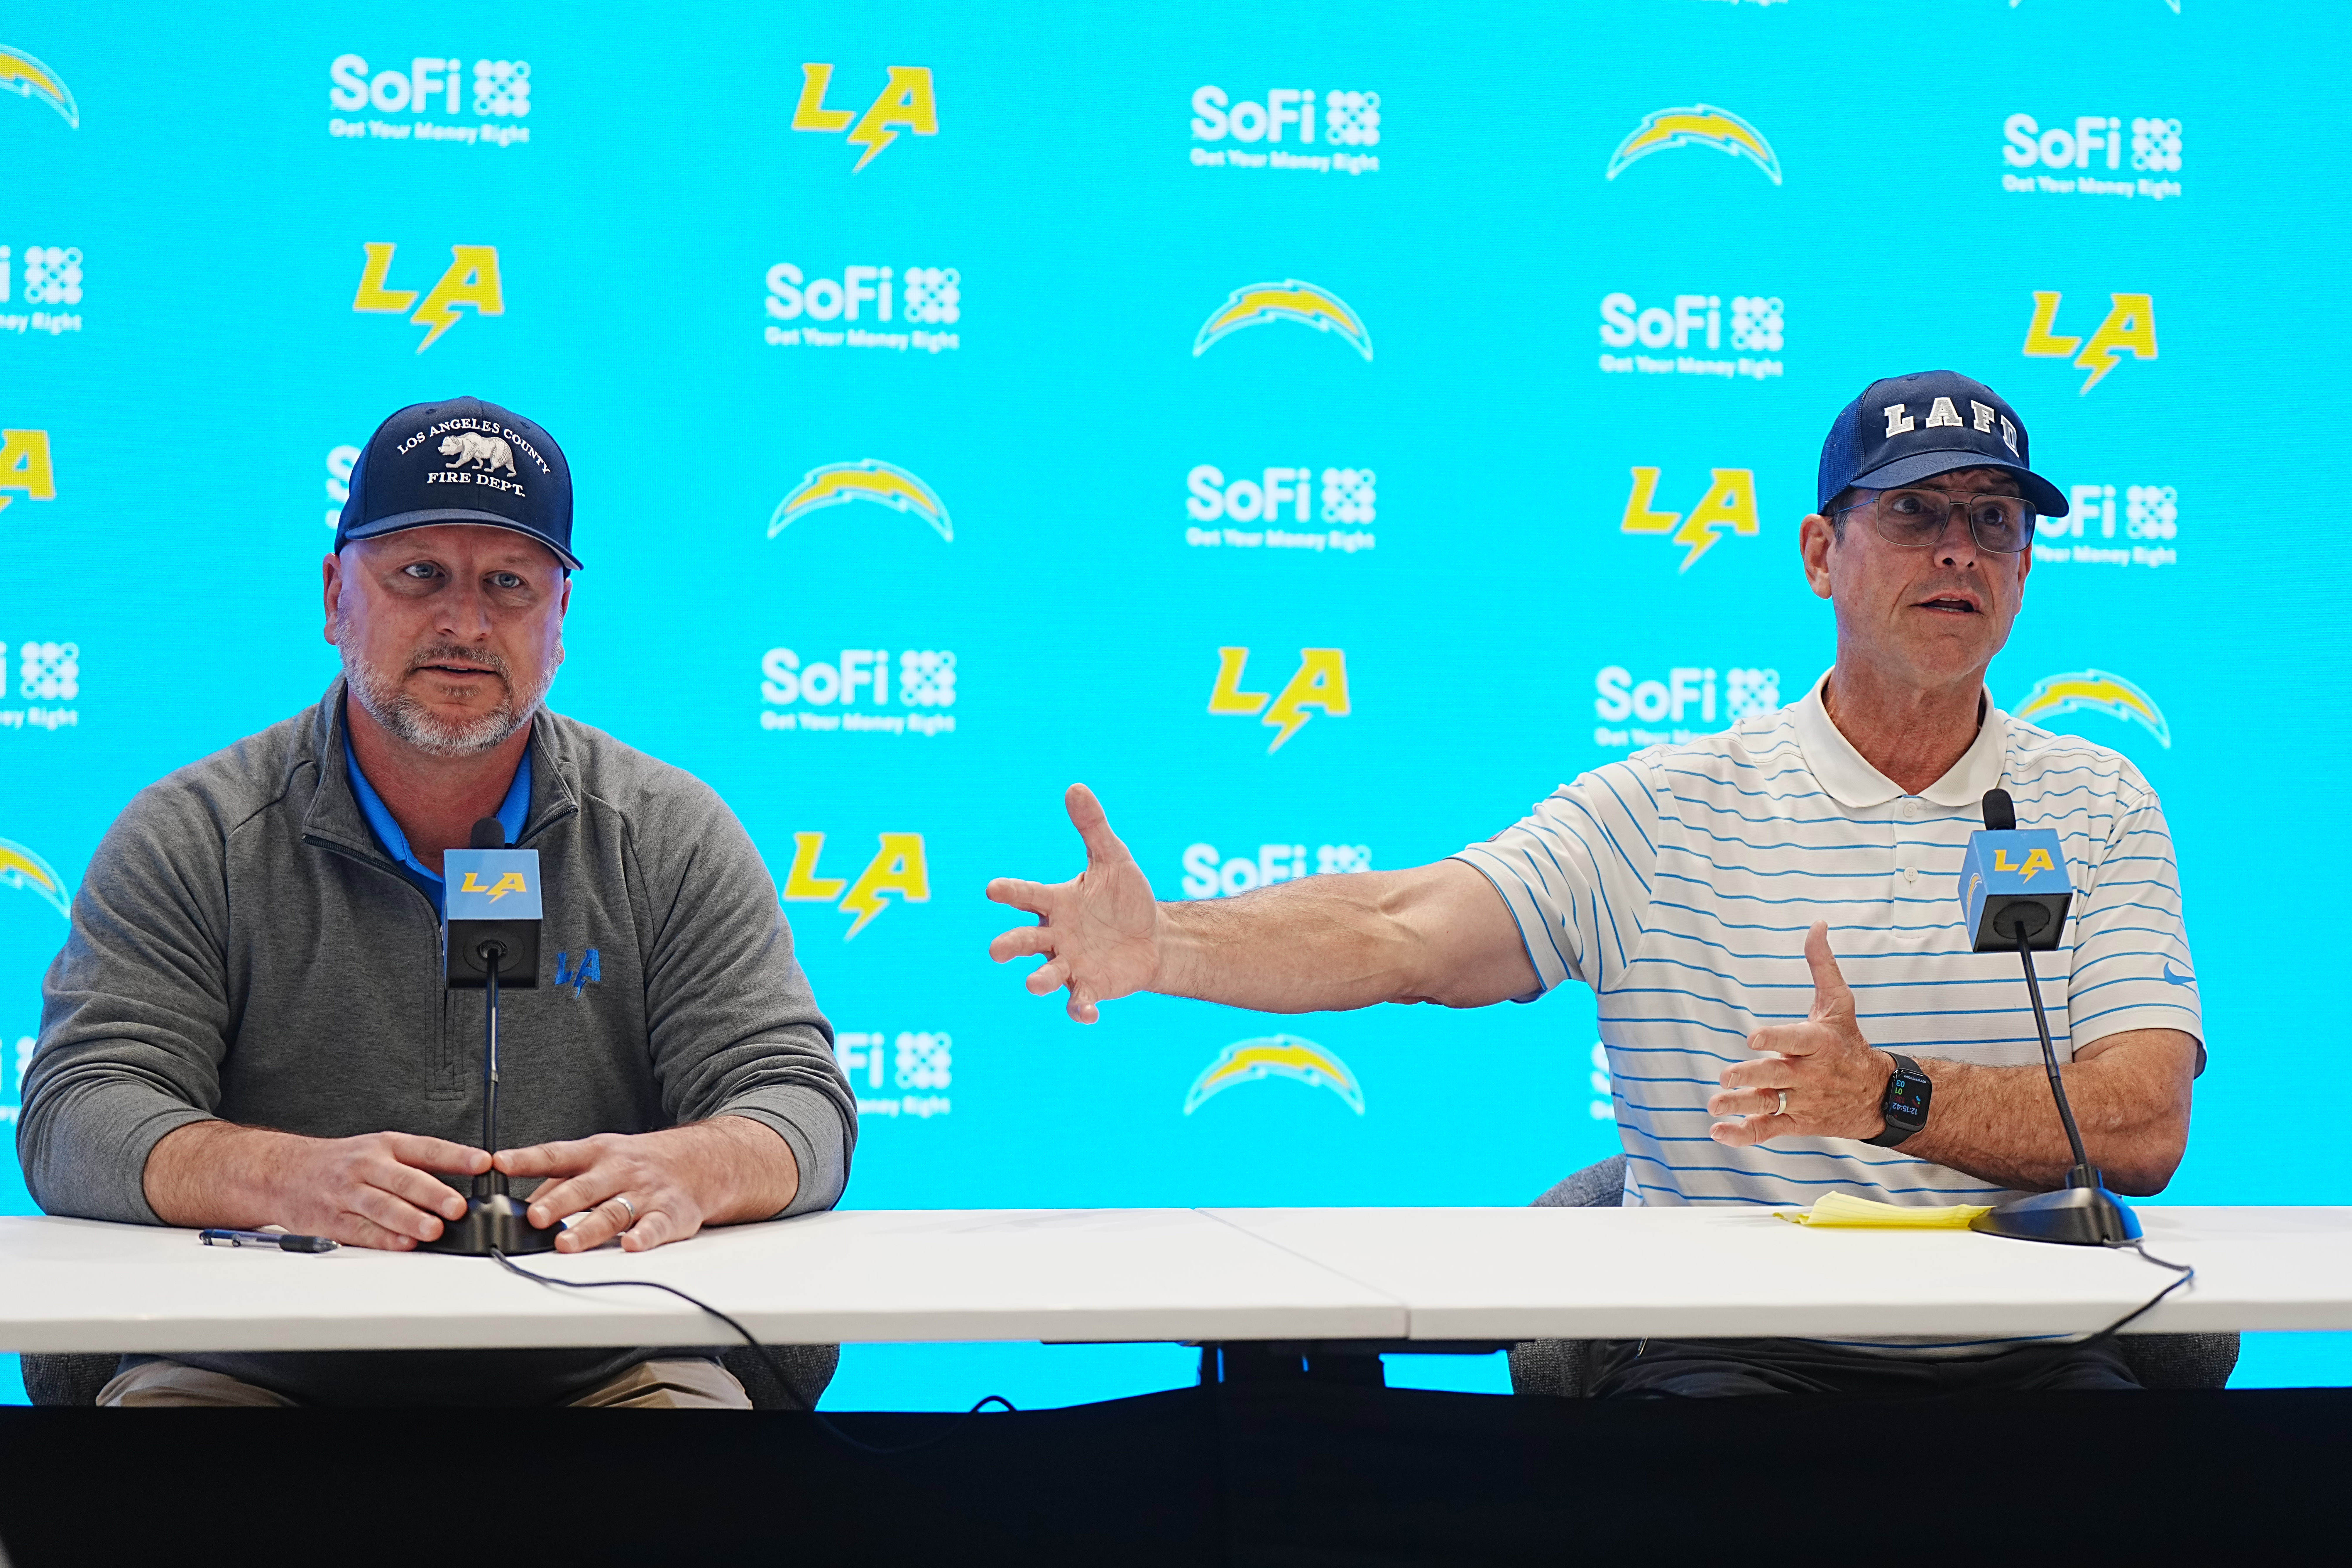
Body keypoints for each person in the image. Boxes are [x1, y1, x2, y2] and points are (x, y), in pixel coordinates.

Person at [985, 370, 2199, 1397]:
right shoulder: (1669, 808)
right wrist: (1167, 947)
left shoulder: (2093, 801)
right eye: (1917, 511)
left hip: (2033, 1353)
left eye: (1995, 521)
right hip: (1733, 1359)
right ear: (1823, 554)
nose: (1957, 548)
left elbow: (2142, 1125)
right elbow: (1403, 927)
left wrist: (1883, 1097)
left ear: (2027, 570)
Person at [19, 396, 853, 1408]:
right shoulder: (197, 832)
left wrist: (698, 1165)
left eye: (508, 584)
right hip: (253, 1364)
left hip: (607, 1366)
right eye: (419, 575)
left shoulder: (664, 831)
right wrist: (283, 1179)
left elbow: (796, 1100)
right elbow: (77, 1113)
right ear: (335, 597)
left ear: (558, 624)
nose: (464, 623)